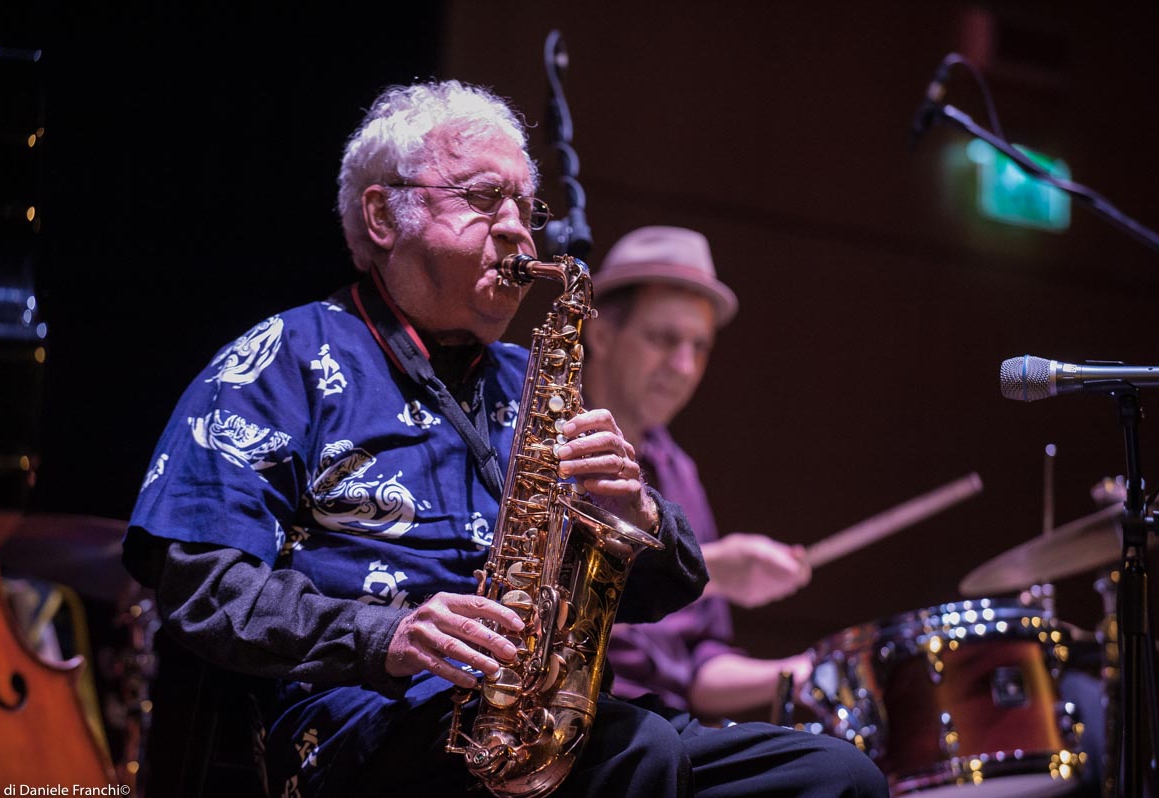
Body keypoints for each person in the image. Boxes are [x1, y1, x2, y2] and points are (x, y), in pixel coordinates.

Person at [123, 80, 888, 797]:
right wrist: (388, 634)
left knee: (832, 775)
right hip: (353, 721)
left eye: (526, 205)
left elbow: (666, 590)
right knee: (637, 755)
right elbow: (197, 585)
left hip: (540, 721)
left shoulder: (530, 380)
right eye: (485, 199)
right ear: (385, 216)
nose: (520, 230)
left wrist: (637, 514)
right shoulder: (278, 360)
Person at [589, 226, 817, 722]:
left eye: (700, 346)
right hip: (582, 714)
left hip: (668, 723)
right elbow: (551, 595)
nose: (685, 366)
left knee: (836, 772)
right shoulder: (544, 445)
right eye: (664, 339)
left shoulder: (679, 471)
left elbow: (700, 671)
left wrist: (803, 670)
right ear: (602, 334)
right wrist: (712, 570)